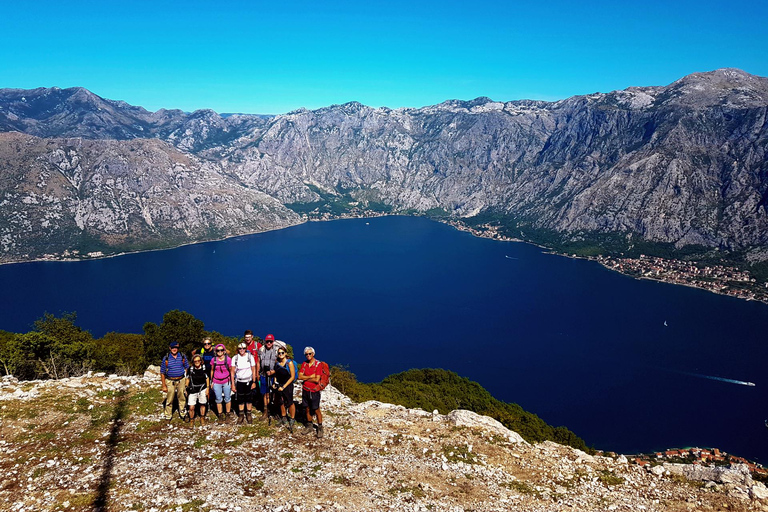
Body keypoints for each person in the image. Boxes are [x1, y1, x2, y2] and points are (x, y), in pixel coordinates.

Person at [298, 346, 324, 438]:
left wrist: (306, 377)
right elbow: (299, 377)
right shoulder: (304, 364)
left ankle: (320, 427)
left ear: (313, 354)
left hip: (314, 391)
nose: (308, 355)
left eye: (309, 354)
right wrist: (310, 376)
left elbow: (317, 379)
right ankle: (309, 425)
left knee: (316, 409)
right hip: (305, 390)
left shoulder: (318, 364)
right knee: (307, 408)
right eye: (306, 354)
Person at [160, 341, 189, 422]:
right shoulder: (166, 358)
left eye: (176, 348)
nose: (174, 349)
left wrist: (187, 380)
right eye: (173, 347)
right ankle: (168, 415)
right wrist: (164, 385)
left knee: (182, 397)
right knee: (170, 398)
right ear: (170, 348)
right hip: (170, 380)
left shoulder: (182, 356)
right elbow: (162, 372)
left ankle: (183, 413)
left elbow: (187, 367)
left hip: (181, 379)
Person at [232, 342, 257, 424]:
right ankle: (241, 414)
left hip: (248, 380)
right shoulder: (235, 358)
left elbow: (253, 369)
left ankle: (248, 413)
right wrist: (232, 384)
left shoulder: (250, 357)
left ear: (246, 349)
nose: (241, 350)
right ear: (237, 349)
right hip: (239, 381)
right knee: (240, 398)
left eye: (243, 348)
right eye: (240, 348)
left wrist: (254, 381)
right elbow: (232, 372)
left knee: (249, 398)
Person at [273, 346, 297, 431]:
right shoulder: (277, 363)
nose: (280, 354)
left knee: (290, 402)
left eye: (282, 353)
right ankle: (283, 417)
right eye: (279, 353)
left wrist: (284, 386)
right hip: (279, 384)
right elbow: (276, 374)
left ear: (286, 353)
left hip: (287, 385)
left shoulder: (289, 363)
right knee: (281, 401)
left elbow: (292, 376)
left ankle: (292, 418)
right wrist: (275, 383)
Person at [209, 343, 233, 422]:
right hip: (216, 381)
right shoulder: (213, 360)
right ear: (216, 351)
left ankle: (228, 414)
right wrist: (211, 381)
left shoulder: (228, 359)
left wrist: (232, 382)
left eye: (221, 350)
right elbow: (212, 370)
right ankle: (220, 415)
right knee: (218, 399)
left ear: (224, 351)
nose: (220, 351)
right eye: (218, 350)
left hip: (226, 381)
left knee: (227, 398)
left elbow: (231, 370)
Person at [258, 334, 279, 420]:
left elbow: (279, 363)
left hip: (273, 376)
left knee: (274, 393)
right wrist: (257, 373)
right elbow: (258, 362)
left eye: (270, 341)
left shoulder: (277, 351)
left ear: (273, 342)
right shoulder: (261, 350)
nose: (269, 343)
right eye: (267, 341)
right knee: (265, 393)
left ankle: (275, 410)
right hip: (263, 374)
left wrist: (274, 371)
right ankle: (266, 410)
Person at [185, 354, 210, 427]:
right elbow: (188, 378)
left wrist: (207, 388)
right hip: (193, 389)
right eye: (195, 361)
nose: (197, 362)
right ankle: (192, 420)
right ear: (193, 362)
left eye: (198, 360)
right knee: (191, 407)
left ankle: (202, 418)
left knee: (202, 404)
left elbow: (207, 378)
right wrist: (186, 387)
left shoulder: (204, 368)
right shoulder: (191, 369)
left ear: (201, 361)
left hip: (202, 388)